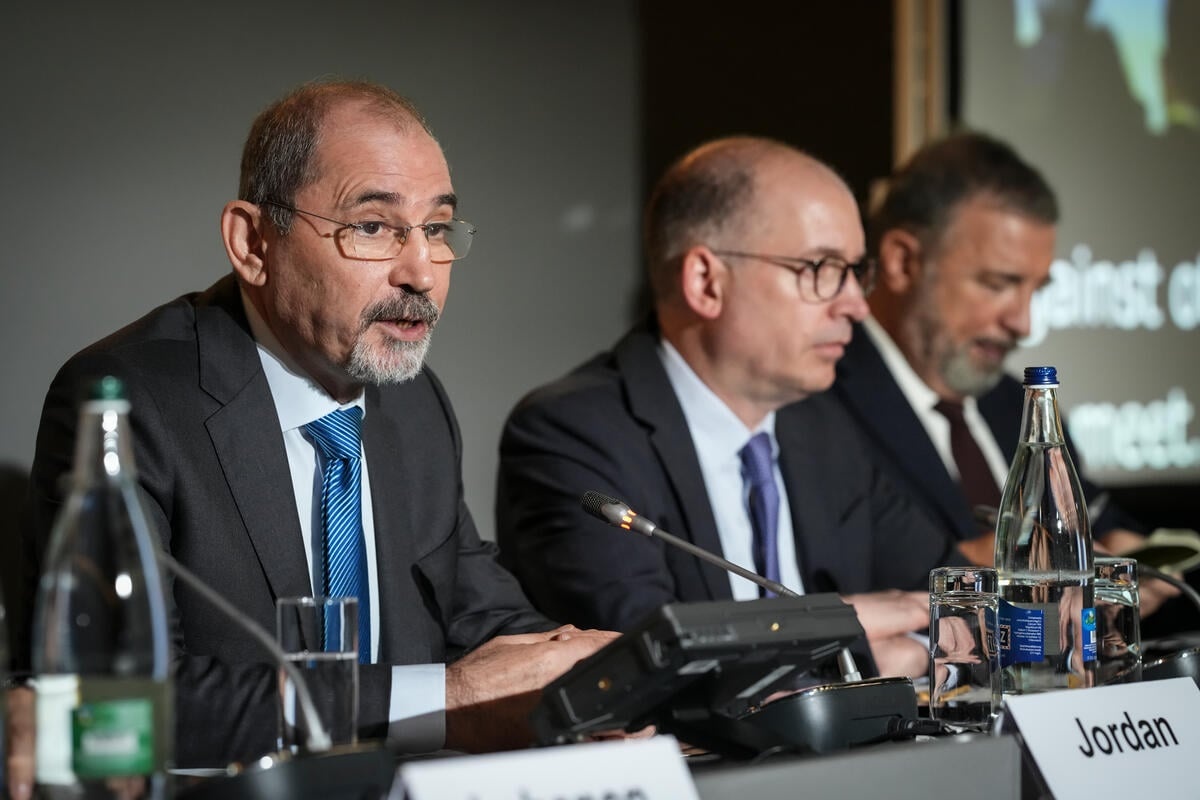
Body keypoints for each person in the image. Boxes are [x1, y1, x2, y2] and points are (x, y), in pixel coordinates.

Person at [9, 80, 614, 788]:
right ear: (253, 243)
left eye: (437, 228)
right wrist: (446, 703)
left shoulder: (414, 404)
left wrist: (608, 681)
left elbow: (478, 615)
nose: (421, 272)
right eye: (373, 227)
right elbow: (118, 698)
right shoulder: (130, 400)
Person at [495, 136, 963, 680]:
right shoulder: (572, 435)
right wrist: (852, 642)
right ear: (706, 282)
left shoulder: (822, 428)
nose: (857, 305)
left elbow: (957, 596)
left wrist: (912, 645)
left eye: (857, 271)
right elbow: (649, 668)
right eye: (822, 268)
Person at [830, 131, 1177, 620]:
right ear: (903, 262)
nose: (1024, 323)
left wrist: (1123, 554)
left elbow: (1099, 521)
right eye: (999, 284)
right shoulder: (818, 401)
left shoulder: (1017, 404)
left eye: (1036, 290)